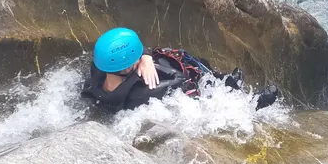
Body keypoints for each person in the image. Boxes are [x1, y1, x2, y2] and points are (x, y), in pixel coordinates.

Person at [81, 27, 279, 113]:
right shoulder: (144, 91)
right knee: (190, 72)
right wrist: (149, 61)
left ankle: (225, 79)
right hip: (179, 103)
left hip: (126, 96)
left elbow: (127, 56)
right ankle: (251, 104)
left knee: (161, 58)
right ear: (125, 66)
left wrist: (146, 57)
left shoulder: (98, 73)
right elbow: (180, 80)